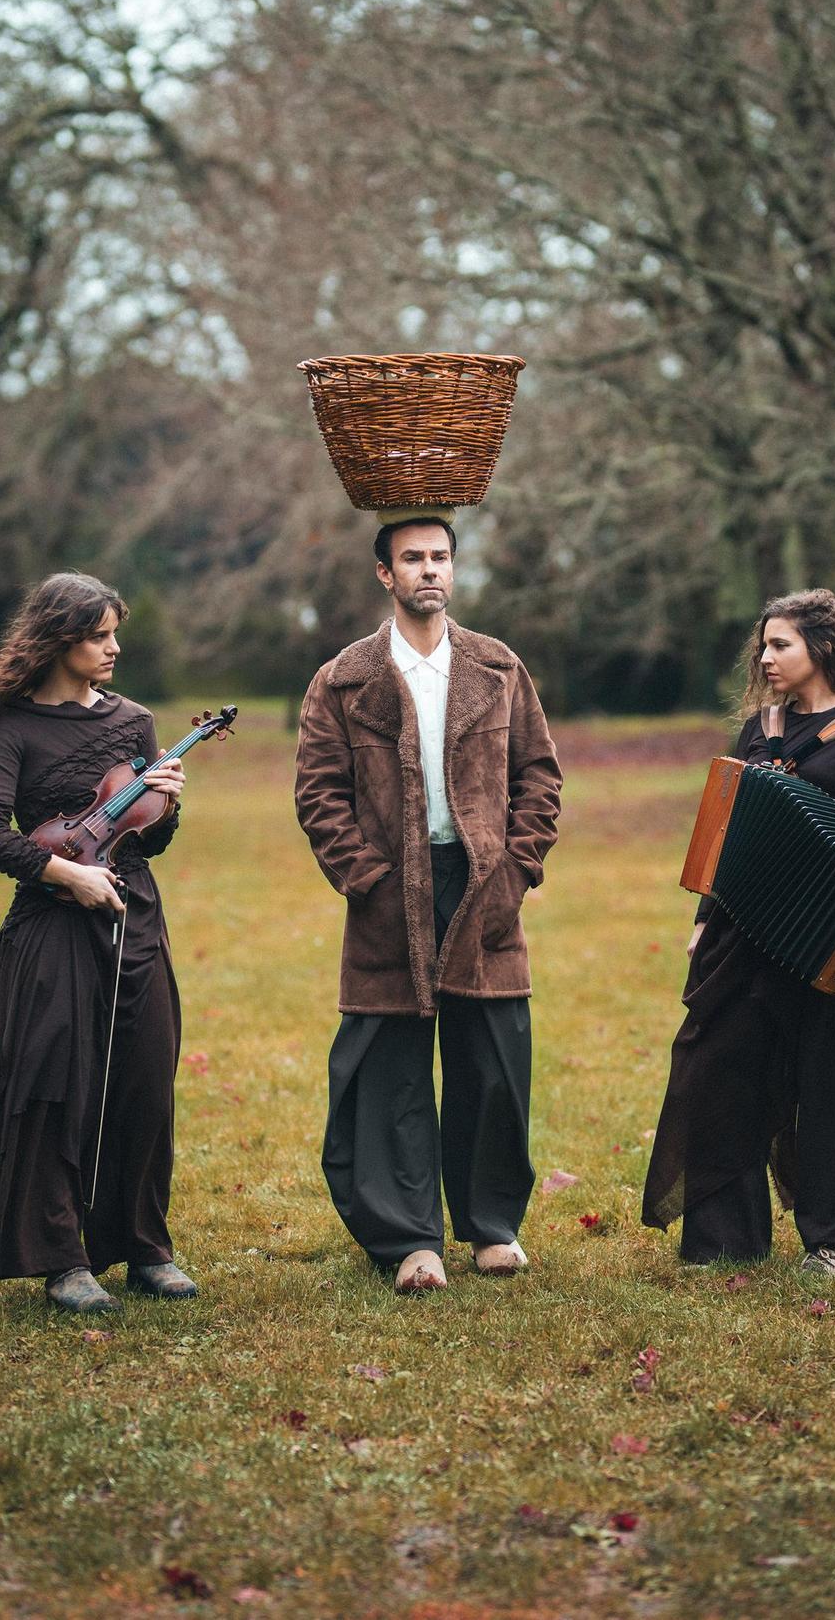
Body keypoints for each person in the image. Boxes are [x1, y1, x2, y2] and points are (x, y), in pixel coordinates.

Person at [295, 513, 562, 1294]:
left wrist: (515, 870)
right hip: (389, 890)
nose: (429, 570)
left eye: (440, 556)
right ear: (385, 573)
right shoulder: (343, 678)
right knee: (391, 1069)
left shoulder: (500, 666)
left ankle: (489, 1227)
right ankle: (411, 1239)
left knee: (492, 1061)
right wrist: (367, 879)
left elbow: (539, 775)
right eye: (412, 558)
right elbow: (319, 794)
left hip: (484, 887)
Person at [642, 588, 835, 1276]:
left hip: (830, 936)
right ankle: (725, 1237)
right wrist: (704, 923)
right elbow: (724, 833)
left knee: (831, 1084)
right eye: (763, 645)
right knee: (719, 1070)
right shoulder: (759, 730)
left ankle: (830, 1243)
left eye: (780, 644)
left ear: (821, 648)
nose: (764, 657)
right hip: (742, 930)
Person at [0, 572, 197, 1313]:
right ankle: (62, 1257)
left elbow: (149, 842)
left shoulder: (134, 720)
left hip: (133, 916)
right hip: (51, 923)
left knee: (144, 1081)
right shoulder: (14, 726)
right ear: (59, 639)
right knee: (57, 1087)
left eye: (113, 632)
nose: (113, 647)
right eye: (99, 635)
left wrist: (163, 808)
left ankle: (145, 1248)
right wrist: (65, 873)